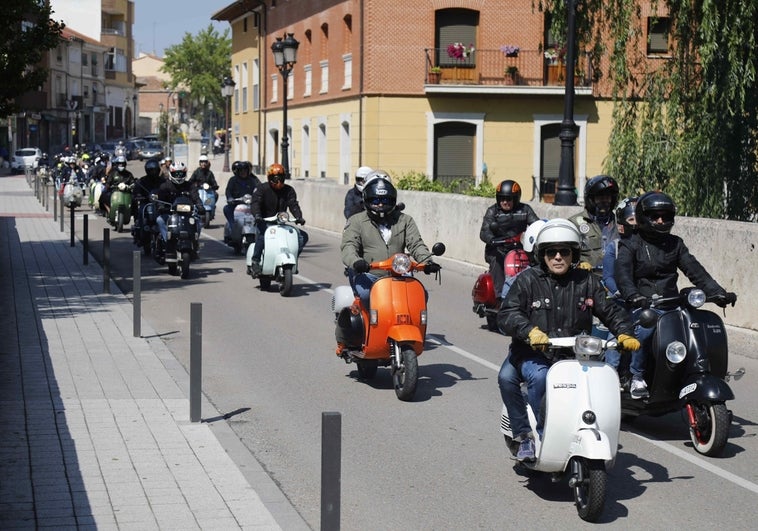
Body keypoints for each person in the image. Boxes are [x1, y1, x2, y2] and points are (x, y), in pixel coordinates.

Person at [497, 218, 640, 461]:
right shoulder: (527, 280)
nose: (558, 257)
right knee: (535, 377)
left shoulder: (587, 282)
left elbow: (610, 311)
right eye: (552, 252)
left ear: (573, 254)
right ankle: (530, 436)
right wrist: (530, 331)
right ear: (542, 255)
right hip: (534, 353)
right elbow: (507, 314)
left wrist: (624, 332)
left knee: (604, 381)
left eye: (564, 251)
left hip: (576, 355)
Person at [615, 191, 736, 399]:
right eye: (655, 216)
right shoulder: (630, 243)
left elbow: (695, 271)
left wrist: (718, 293)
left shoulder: (675, 244)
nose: (661, 221)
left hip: (672, 304)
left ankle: (699, 371)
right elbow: (623, 275)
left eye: (665, 216)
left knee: (698, 326)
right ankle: (637, 376)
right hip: (643, 306)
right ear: (643, 217)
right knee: (645, 330)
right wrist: (634, 295)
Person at [340, 170, 440, 309]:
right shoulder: (356, 221)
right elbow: (348, 246)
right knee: (367, 295)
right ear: (367, 199)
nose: (380, 204)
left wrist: (427, 261)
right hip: (369, 276)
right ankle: (366, 329)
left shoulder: (405, 220)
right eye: (375, 200)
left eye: (385, 200)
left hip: (400, 275)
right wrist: (356, 262)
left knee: (420, 296)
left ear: (392, 199)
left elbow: (416, 244)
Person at [479, 180, 539, 298]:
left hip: (520, 248)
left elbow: (536, 224)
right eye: (502, 199)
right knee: (497, 261)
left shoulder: (525, 210)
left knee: (537, 261)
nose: (505, 202)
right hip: (498, 248)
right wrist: (492, 239)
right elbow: (484, 231)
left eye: (508, 199)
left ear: (516, 199)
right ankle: (500, 297)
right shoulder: (493, 211)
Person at [248, 163, 307, 276]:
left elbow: (293, 204)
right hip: (264, 221)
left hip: (281, 222)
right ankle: (255, 261)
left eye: (281, 178)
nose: (279, 182)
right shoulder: (261, 189)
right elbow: (255, 203)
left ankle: (293, 258)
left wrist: (299, 217)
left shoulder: (289, 190)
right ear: (270, 178)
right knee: (262, 236)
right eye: (276, 179)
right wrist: (258, 216)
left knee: (302, 237)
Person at [601, 196, 638, 373]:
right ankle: (611, 373)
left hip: (646, 303)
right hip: (622, 302)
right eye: (631, 219)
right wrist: (623, 293)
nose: (636, 224)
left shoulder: (651, 248)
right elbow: (608, 277)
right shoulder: (614, 247)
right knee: (615, 338)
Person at [569, 175, 620, 272]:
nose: (605, 200)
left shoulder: (620, 223)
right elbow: (564, 254)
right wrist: (577, 264)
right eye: (600, 197)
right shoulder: (574, 223)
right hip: (586, 281)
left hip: (615, 280)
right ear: (591, 199)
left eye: (608, 197)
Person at [155, 162, 205, 256]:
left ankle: (194, 242)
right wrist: (160, 206)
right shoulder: (165, 186)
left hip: (187, 213)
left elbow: (196, 197)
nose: (178, 176)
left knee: (198, 221)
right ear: (171, 173)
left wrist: (200, 206)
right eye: (176, 174)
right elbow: (160, 199)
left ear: (185, 174)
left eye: (180, 174)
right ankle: (167, 241)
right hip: (170, 213)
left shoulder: (190, 186)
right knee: (160, 220)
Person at [131, 159, 165, 244]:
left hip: (159, 204)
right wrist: (138, 195)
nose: (153, 172)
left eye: (155, 170)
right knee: (140, 211)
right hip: (146, 203)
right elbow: (136, 190)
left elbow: (167, 190)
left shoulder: (163, 181)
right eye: (151, 170)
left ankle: (167, 238)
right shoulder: (142, 181)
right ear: (147, 171)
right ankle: (139, 228)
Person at [223, 160, 261, 226]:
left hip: (250, 204)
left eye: (245, 170)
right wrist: (230, 198)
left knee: (260, 211)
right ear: (238, 171)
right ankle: (232, 225)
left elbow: (257, 190)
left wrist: (258, 197)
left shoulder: (252, 181)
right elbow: (228, 190)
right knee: (227, 208)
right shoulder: (233, 180)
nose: (243, 172)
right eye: (241, 170)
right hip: (236, 203)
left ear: (248, 171)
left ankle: (258, 228)